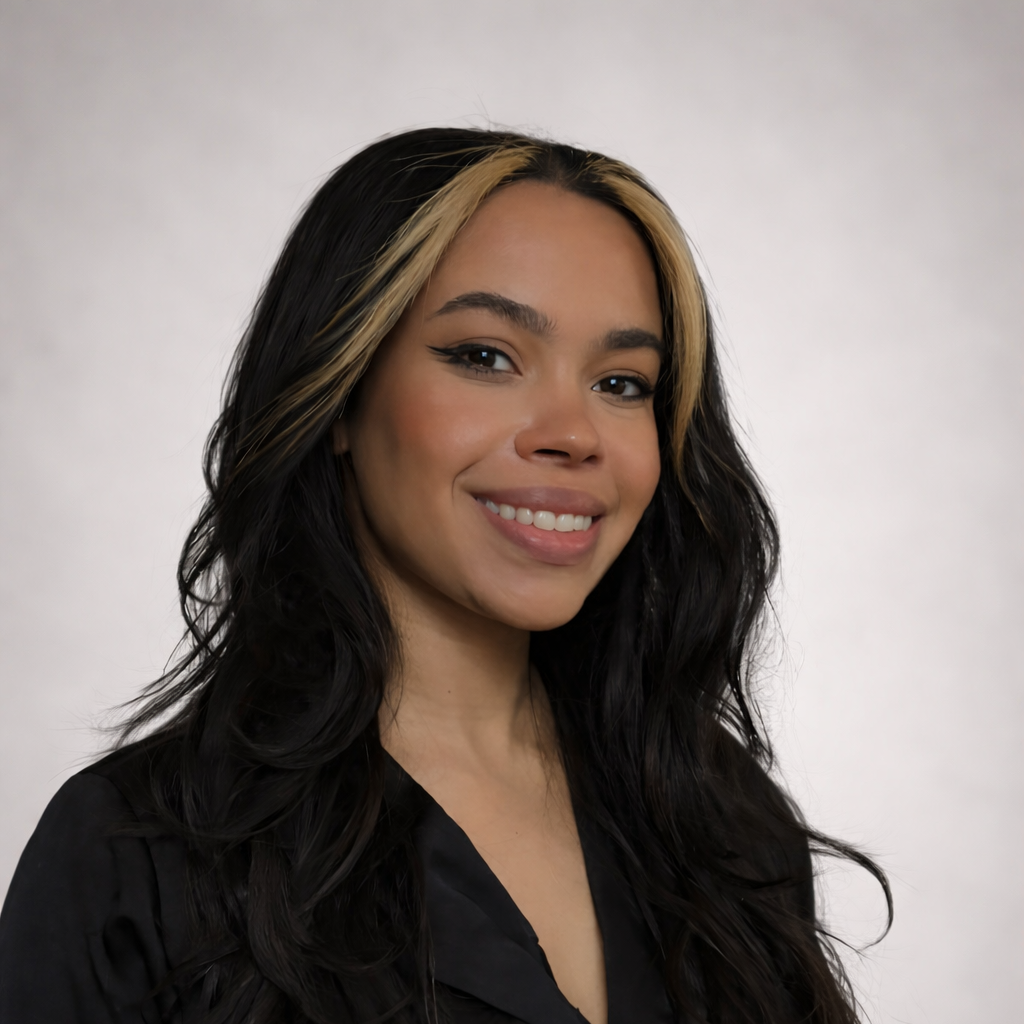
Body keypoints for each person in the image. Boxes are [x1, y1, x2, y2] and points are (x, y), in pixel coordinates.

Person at [0, 128, 888, 1024]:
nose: (571, 433)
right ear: (339, 392)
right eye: (486, 357)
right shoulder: (136, 857)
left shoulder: (724, 824)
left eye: (622, 382)